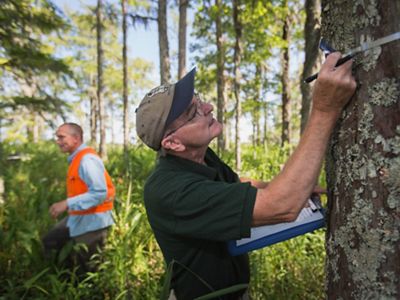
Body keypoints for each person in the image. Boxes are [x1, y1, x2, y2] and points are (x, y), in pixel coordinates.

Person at [135, 53, 356, 299]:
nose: (207, 107)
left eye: (198, 100)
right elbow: (283, 206)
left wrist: (279, 186)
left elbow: (235, 183)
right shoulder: (170, 190)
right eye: (192, 112)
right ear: (173, 142)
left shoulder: (200, 156)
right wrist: (325, 109)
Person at [42, 123, 115, 273]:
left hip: (93, 221)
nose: (58, 141)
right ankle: (62, 277)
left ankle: (88, 291)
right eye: (57, 137)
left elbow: (99, 193)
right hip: (78, 217)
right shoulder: (76, 158)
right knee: (51, 240)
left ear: (76, 138)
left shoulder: (87, 160)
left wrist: (66, 203)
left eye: (61, 137)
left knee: (89, 268)